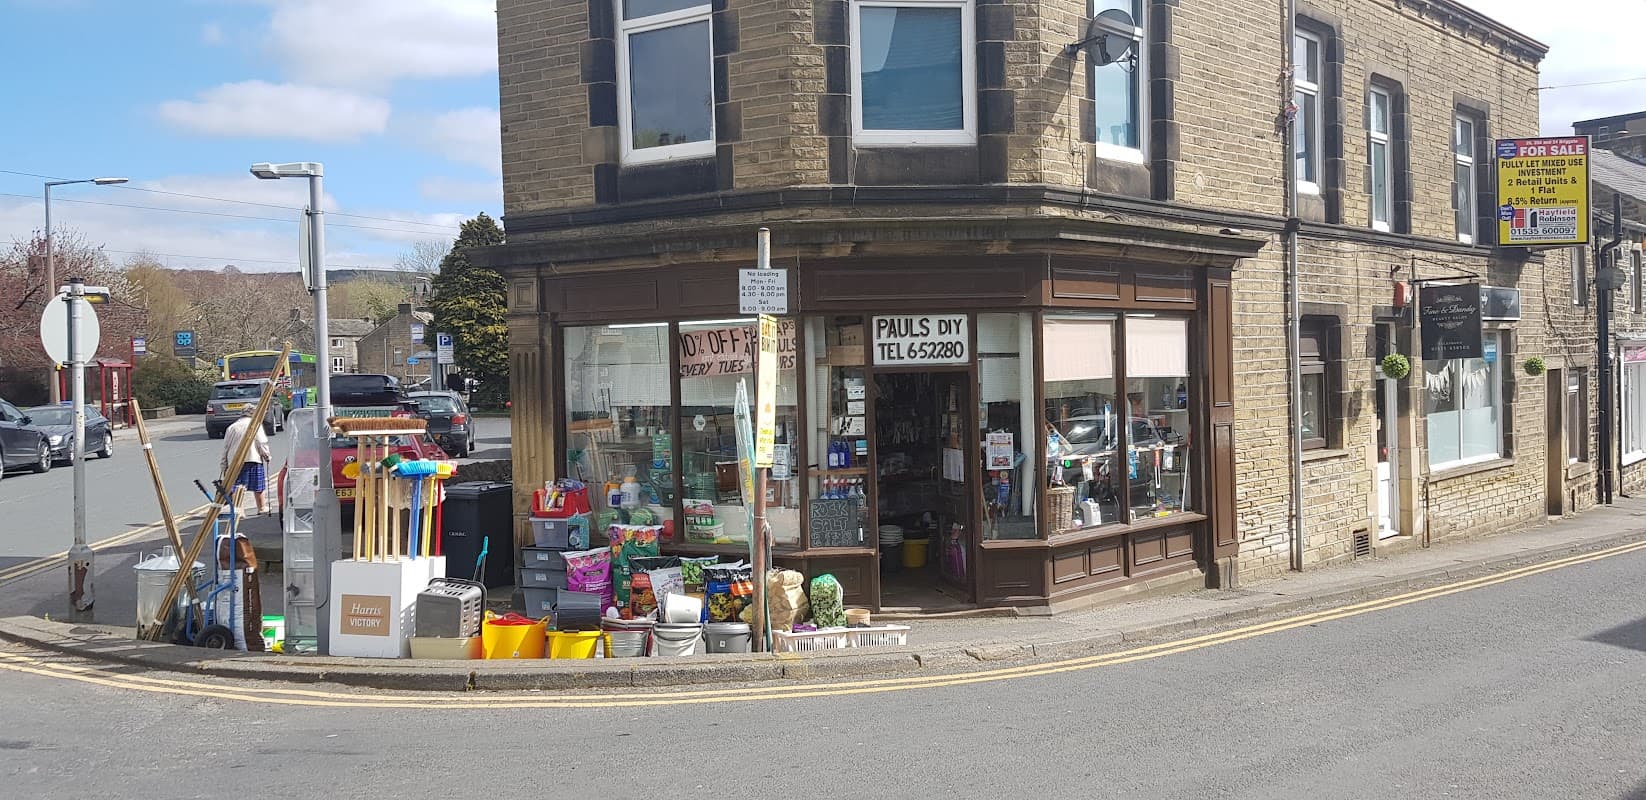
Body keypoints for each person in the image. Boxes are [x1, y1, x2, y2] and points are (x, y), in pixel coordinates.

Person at [221, 406, 273, 514]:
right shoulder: (256, 425)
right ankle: (261, 508)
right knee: (258, 486)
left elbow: (226, 447)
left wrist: (224, 464)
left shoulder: (232, 427)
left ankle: (239, 510)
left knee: (237, 486)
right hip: (252, 459)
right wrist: (267, 456)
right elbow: (261, 443)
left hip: (235, 461)